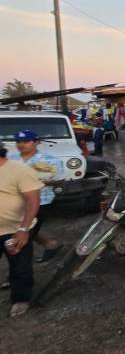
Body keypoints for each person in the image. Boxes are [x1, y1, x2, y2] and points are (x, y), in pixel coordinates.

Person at [0, 141, 43, 317]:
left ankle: (21, 299)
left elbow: (33, 200)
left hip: (15, 229)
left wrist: (24, 229)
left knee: (20, 266)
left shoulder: (19, 170)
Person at [8, 130, 65, 263]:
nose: (21, 144)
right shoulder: (11, 160)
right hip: (14, 201)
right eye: (18, 142)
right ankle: (50, 244)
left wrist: (40, 181)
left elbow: (60, 180)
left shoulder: (49, 160)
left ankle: (21, 270)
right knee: (22, 229)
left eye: (26, 141)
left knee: (24, 233)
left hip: (40, 201)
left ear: (37, 142)